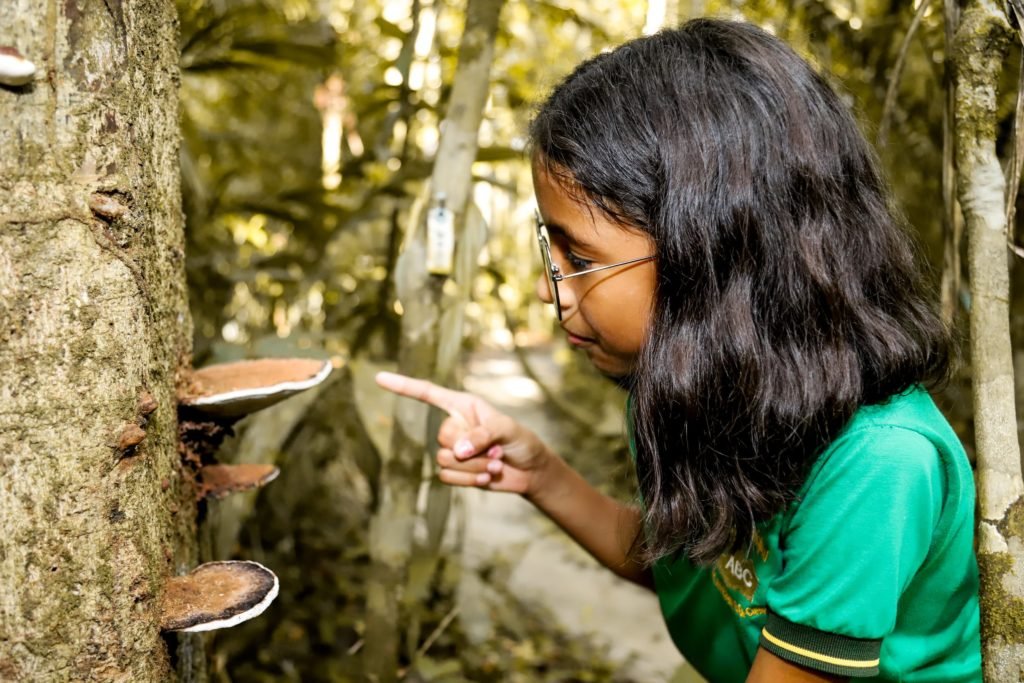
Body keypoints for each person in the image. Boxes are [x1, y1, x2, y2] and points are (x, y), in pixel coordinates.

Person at [376, 18, 981, 683]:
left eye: (581, 258)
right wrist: (539, 473)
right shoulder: (688, 378)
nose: (552, 291)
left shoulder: (876, 463)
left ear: (712, 253)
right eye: (552, 250)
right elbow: (691, 561)